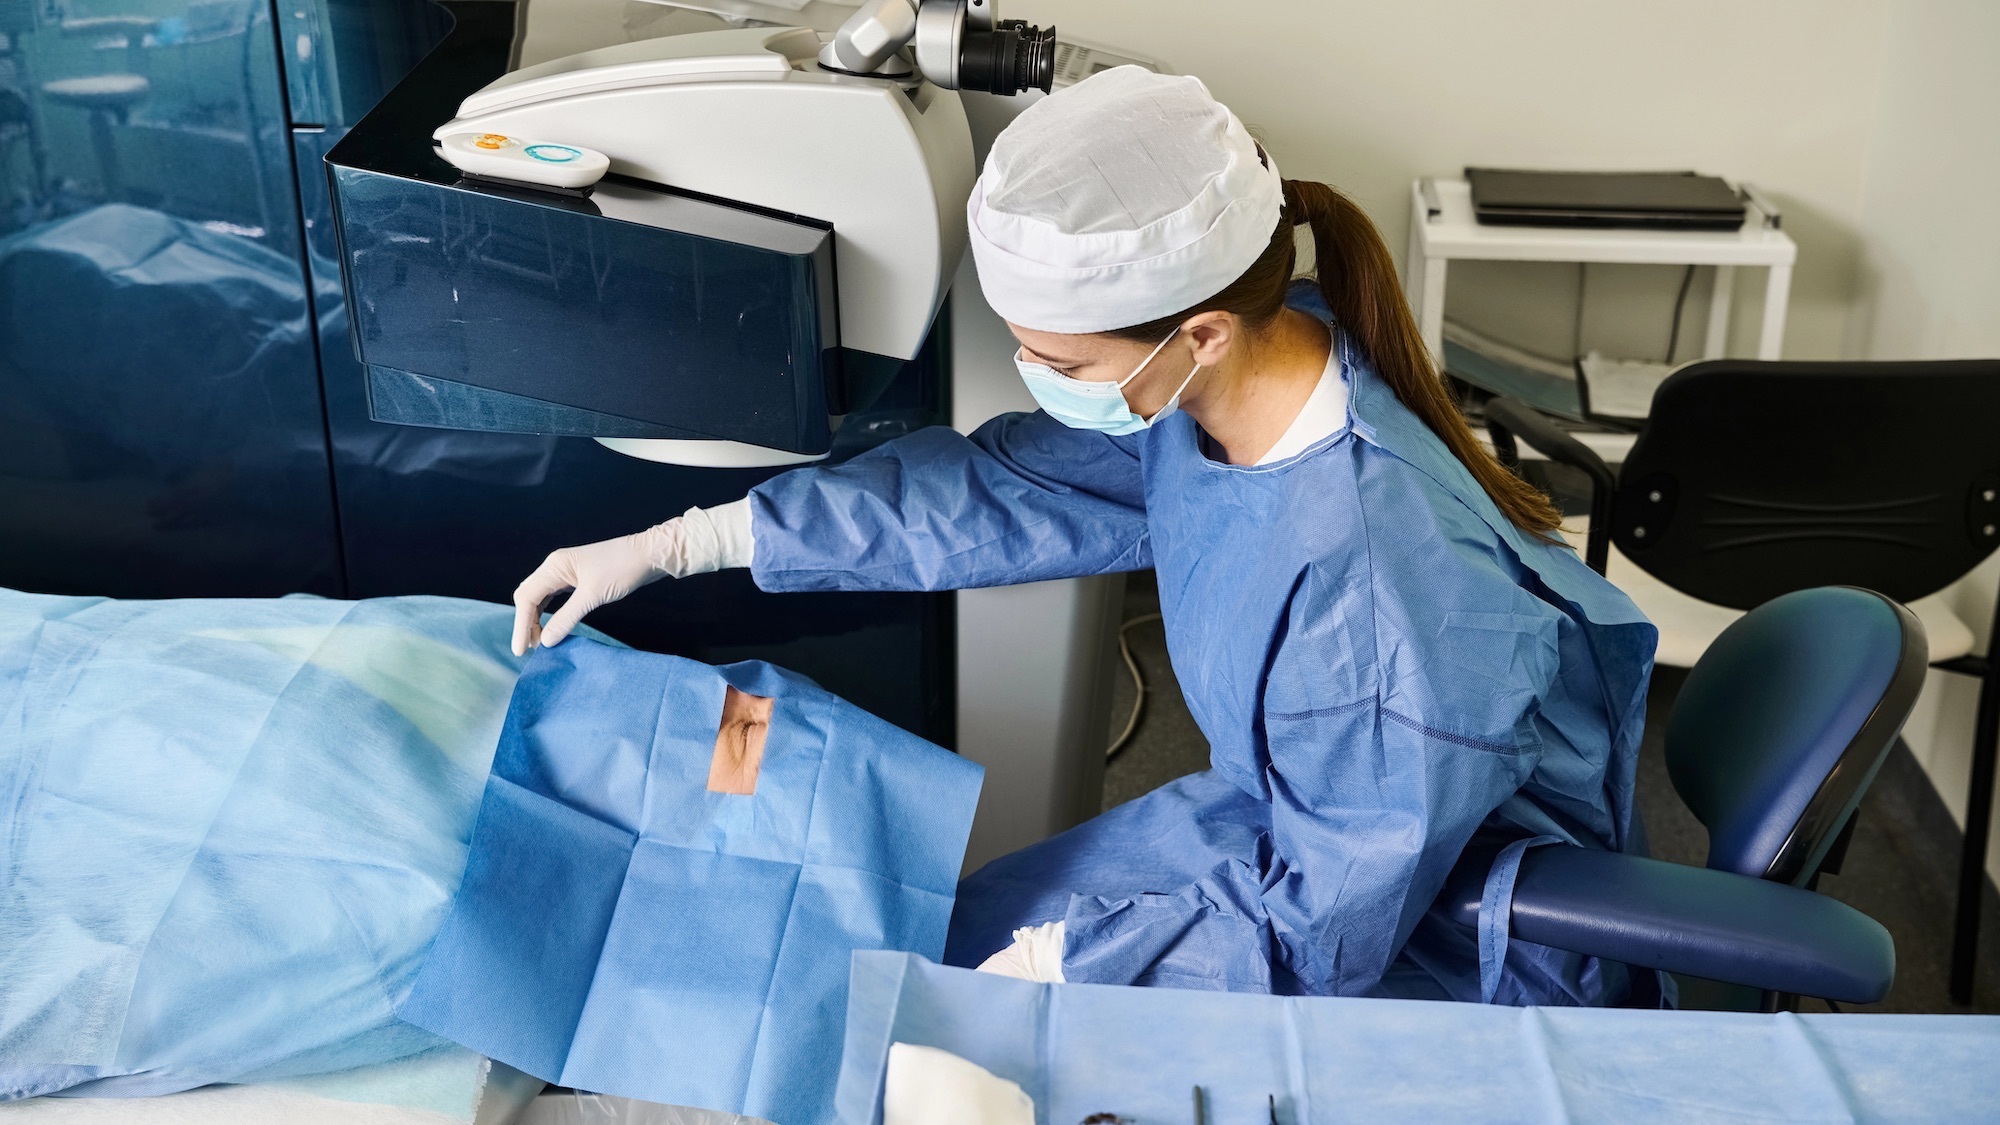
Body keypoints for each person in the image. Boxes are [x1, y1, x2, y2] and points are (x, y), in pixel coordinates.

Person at [511, 67, 1657, 1005]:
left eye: (1059, 362)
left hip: (1444, 931)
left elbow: (1331, 915)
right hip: (1286, 825)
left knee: (960, 1011)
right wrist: (686, 540)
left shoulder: (1377, 593)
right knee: (945, 942)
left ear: (1199, 333)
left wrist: (1076, 971)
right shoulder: (1244, 380)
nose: (1034, 378)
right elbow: (997, 491)